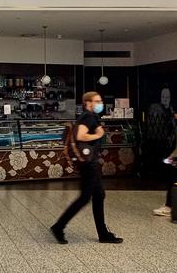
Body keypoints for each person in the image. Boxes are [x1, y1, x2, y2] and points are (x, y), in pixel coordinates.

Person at [50, 91, 123, 244]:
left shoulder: (89, 116)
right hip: (89, 164)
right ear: (88, 103)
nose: (100, 103)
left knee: (99, 195)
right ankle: (59, 226)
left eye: (100, 100)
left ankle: (103, 234)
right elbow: (80, 136)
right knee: (85, 197)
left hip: (89, 162)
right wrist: (98, 134)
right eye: (97, 101)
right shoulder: (88, 116)